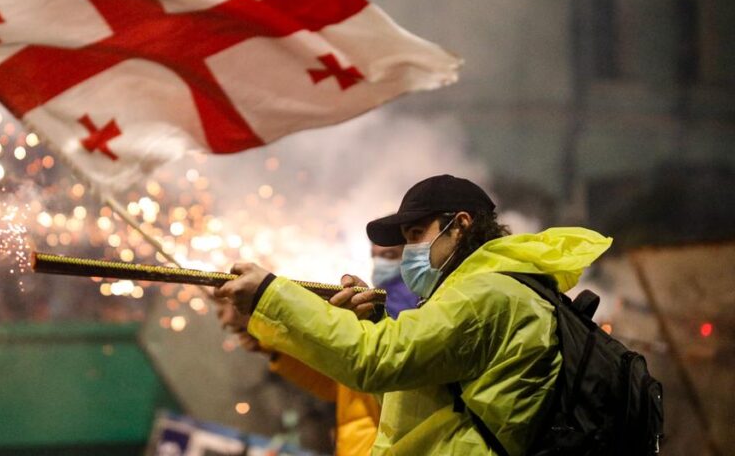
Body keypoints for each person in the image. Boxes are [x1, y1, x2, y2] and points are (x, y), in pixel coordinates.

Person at [217, 175, 612, 455]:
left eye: (415, 235)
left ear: (460, 225)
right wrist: (373, 324)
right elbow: (412, 392)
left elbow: (376, 360)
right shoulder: (496, 289)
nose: (409, 253)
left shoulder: (486, 294)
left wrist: (270, 294)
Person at [213, 245, 416, 456]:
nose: (379, 264)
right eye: (374, 255)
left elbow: (373, 368)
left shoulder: (410, 312)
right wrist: (270, 346)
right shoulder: (382, 314)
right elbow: (341, 384)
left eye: (389, 255)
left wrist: (265, 303)